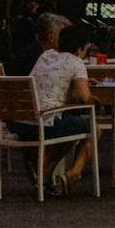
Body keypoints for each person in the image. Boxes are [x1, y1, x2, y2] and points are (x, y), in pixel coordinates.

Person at [24, 15, 96, 195]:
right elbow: (84, 99)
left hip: (26, 121)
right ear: (81, 48)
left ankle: (44, 177)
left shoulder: (46, 55)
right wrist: (96, 100)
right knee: (94, 127)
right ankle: (74, 173)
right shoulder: (76, 62)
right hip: (48, 121)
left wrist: (78, 82)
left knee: (70, 131)